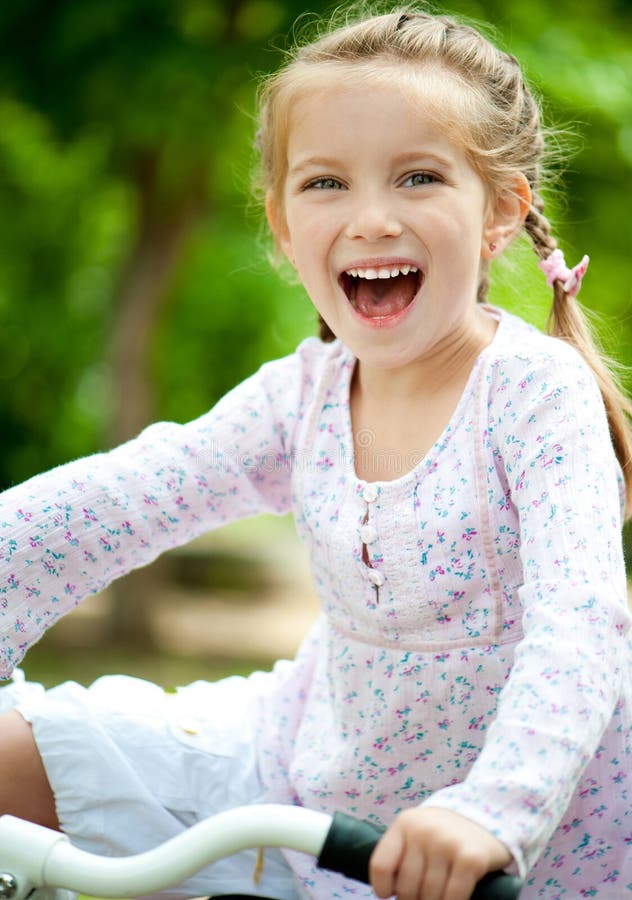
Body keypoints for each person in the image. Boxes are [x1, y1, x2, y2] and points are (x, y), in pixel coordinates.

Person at [0, 5, 630, 899]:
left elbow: (582, 626)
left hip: (513, 845)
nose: (371, 218)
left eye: (417, 177)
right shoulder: (302, 395)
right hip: (301, 772)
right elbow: (123, 497)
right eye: (326, 183)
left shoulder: (535, 396)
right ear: (284, 224)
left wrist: (494, 808)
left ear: (500, 211)